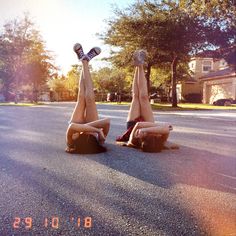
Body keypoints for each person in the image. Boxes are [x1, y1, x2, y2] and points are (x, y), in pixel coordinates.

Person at [116, 50, 178, 152]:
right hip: (149, 123)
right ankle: (139, 64)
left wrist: (145, 130)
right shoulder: (161, 140)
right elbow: (167, 128)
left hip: (133, 125)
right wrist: (150, 129)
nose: (150, 136)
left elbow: (138, 125)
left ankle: (138, 65)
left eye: (146, 137)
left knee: (136, 97)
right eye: (154, 137)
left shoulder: (134, 141)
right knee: (144, 97)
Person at [66, 43, 110, 154]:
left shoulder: (71, 143)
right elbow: (107, 121)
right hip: (88, 125)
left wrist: (93, 130)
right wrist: (97, 132)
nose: (86, 134)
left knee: (81, 97)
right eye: (91, 136)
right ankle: (85, 61)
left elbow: (72, 126)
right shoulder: (99, 140)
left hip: (77, 125)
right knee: (90, 98)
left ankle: (83, 60)